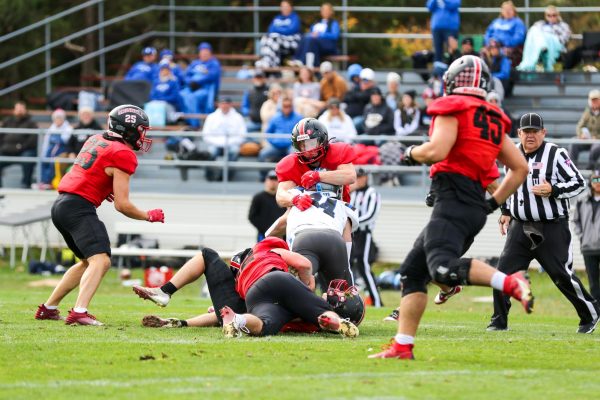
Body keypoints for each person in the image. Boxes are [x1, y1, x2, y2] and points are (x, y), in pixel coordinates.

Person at [369, 55, 532, 360]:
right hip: (471, 205)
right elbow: (520, 168)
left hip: (453, 200)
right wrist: (493, 204)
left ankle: (509, 281)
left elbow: (436, 150)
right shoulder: (493, 117)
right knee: (412, 274)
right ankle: (403, 345)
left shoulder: (453, 107)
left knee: (442, 267)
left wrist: (409, 153)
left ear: (453, 81)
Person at [34, 104, 164, 326]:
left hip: (61, 206)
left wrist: (104, 188)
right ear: (129, 129)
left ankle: (49, 308)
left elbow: (95, 171)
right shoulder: (123, 153)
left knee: (87, 262)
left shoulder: (96, 138)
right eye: (141, 130)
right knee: (101, 260)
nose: (143, 135)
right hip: (78, 208)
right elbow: (122, 205)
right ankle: (79, 311)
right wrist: (147, 215)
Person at [489, 112, 599, 334]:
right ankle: (499, 321)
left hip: (551, 226)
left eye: (534, 131)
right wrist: (506, 210)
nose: (530, 136)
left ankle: (590, 312)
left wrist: (554, 190)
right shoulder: (511, 155)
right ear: (518, 133)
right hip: (520, 227)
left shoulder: (556, 153)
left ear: (543, 132)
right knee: (501, 274)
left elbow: (578, 182)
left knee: (561, 276)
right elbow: (509, 187)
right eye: (525, 131)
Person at [220, 237, 359, 338]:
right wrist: (306, 286)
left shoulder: (258, 256)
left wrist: (304, 283)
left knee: (263, 326)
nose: (331, 292)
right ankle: (335, 321)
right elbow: (303, 266)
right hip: (277, 279)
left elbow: (304, 265)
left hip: (253, 292)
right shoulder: (310, 317)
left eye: (337, 294)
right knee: (321, 312)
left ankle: (238, 320)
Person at [275, 117, 357, 210]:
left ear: (322, 140)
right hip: (306, 210)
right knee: (286, 217)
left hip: (339, 208)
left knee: (348, 223)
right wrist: (295, 199)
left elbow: (350, 176)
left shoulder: (338, 151)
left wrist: (318, 176)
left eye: (311, 143)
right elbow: (281, 195)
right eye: (302, 145)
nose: (307, 150)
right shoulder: (290, 163)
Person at [349, 168, 383, 307]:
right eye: (357, 177)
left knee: (363, 265)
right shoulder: (353, 193)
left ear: (366, 178)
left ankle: (377, 301)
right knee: (348, 265)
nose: (359, 180)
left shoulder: (372, 193)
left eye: (361, 177)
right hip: (352, 234)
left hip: (364, 233)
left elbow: (371, 215)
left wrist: (353, 222)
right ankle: (350, 300)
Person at [201, 98, 247, 181]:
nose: (224, 106)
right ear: (218, 105)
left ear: (230, 105)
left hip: (232, 143)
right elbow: (206, 135)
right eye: (222, 103)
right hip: (215, 143)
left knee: (235, 151)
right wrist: (219, 142)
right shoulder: (211, 117)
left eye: (226, 104)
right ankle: (209, 175)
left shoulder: (238, 117)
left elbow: (242, 135)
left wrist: (228, 142)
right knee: (211, 152)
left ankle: (227, 176)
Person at [258, 96, 303, 180]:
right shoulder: (275, 117)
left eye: (289, 106)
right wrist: (274, 141)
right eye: (285, 106)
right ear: (281, 106)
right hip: (276, 146)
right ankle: (263, 177)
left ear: (292, 106)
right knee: (263, 154)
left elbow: (301, 132)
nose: (287, 108)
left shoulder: (298, 118)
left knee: (295, 155)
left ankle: (293, 178)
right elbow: (268, 133)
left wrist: (295, 142)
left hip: (291, 145)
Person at [573, 170, 600, 303]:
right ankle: (597, 311)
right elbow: (576, 220)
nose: (598, 183)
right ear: (590, 181)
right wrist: (582, 236)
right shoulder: (581, 200)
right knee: (593, 282)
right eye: (595, 179)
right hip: (588, 247)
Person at [517, 5, 571, 72]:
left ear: (558, 15)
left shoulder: (563, 26)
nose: (551, 17)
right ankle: (541, 49)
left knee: (544, 37)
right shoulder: (540, 24)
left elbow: (564, 39)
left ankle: (543, 47)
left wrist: (548, 37)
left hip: (555, 45)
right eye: (549, 15)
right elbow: (532, 36)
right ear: (545, 16)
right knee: (533, 29)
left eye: (554, 15)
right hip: (538, 45)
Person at [180, 42, 222, 128]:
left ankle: (195, 124)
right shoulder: (195, 63)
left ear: (210, 53)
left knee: (192, 97)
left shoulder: (214, 63)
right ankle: (187, 120)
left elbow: (212, 76)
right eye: (202, 51)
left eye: (206, 51)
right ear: (199, 53)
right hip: (191, 87)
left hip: (205, 89)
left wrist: (198, 82)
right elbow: (186, 75)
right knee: (182, 94)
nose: (204, 53)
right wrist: (190, 82)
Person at [0, 101, 38, 188]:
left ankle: (26, 184)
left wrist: (20, 147)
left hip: (23, 151)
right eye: (18, 108)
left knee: (28, 157)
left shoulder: (31, 123)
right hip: (7, 150)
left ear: (25, 110)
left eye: (21, 108)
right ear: (14, 110)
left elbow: (32, 141)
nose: (19, 111)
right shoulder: (7, 121)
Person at [256, 0, 302, 68]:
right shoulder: (277, 17)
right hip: (277, 41)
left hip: (291, 42)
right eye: (282, 6)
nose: (284, 8)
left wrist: (277, 30)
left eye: (286, 6)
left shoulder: (295, 17)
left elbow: (291, 30)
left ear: (291, 7)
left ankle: (270, 65)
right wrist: (282, 31)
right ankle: (267, 62)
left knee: (273, 39)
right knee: (266, 38)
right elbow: (270, 29)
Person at [292, 2, 340, 68]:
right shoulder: (316, 22)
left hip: (328, 45)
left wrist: (320, 35)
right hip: (314, 43)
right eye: (323, 10)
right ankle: (296, 60)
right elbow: (311, 33)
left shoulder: (333, 23)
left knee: (311, 40)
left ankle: (302, 61)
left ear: (331, 12)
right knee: (305, 37)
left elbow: (335, 36)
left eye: (327, 10)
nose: (325, 12)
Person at [38, 109, 73, 190]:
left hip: (61, 151)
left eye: (60, 118)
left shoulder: (68, 128)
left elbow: (65, 140)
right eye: (56, 118)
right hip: (50, 151)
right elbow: (46, 143)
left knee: (53, 164)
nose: (58, 120)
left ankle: (49, 182)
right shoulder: (51, 129)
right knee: (44, 162)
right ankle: (43, 181)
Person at [484, 1, 526, 66]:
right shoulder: (496, 21)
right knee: (483, 52)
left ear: (514, 11)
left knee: (501, 52)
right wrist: (489, 43)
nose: (507, 11)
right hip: (492, 45)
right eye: (505, 9)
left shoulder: (518, 22)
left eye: (509, 9)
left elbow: (519, 38)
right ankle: (485, 72)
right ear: (501, 11)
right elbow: (487, 33)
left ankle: (500, 73)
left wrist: (502, 41)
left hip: (508, 47)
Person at [248, 170, 286, 241]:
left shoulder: (282, 198)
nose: (273, 182)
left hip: (281, 235)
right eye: (271, 179)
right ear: (266, 180)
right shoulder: (259, 197)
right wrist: (265, 229)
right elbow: (252, 216)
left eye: (275, 179)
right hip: (264, 235)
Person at [571, 89, 600, 170]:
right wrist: (581, 135)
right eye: (592, 100)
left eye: (596, 100)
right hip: (588, 139)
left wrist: (596, 137)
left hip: (598, 140)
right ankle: (572, 168)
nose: (594, 102)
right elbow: (579, 125)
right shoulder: (587, 111)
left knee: (596, 148)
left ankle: (590, 169)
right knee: (574, 142)